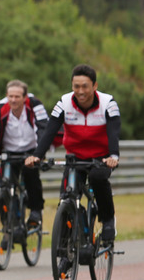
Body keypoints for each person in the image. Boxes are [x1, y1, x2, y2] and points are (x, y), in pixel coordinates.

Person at [25, 64, 120, 254]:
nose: (80, 91)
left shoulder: (108, 104)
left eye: (85, 86)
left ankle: (108, 220)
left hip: (100, 158)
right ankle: (64, 250)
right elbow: (50, 131)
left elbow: (113, 132)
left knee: (97, 178)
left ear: (95, 86)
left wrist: (113, 156)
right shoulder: (64, 103)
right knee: (66, 198)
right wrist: (37, 155)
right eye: (76, 86)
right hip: (75, 158)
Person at [0, 80, 49, 230]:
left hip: (32, 150)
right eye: (10, 96)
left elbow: (43, 128)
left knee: (31, 176)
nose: (13, 100)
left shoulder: (35, 105)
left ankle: (36, 211)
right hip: (8, 152)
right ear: (6, 95)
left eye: (17, 96)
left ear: (25, 97)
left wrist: (39, 154)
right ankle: (8, 225)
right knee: (5, 184)